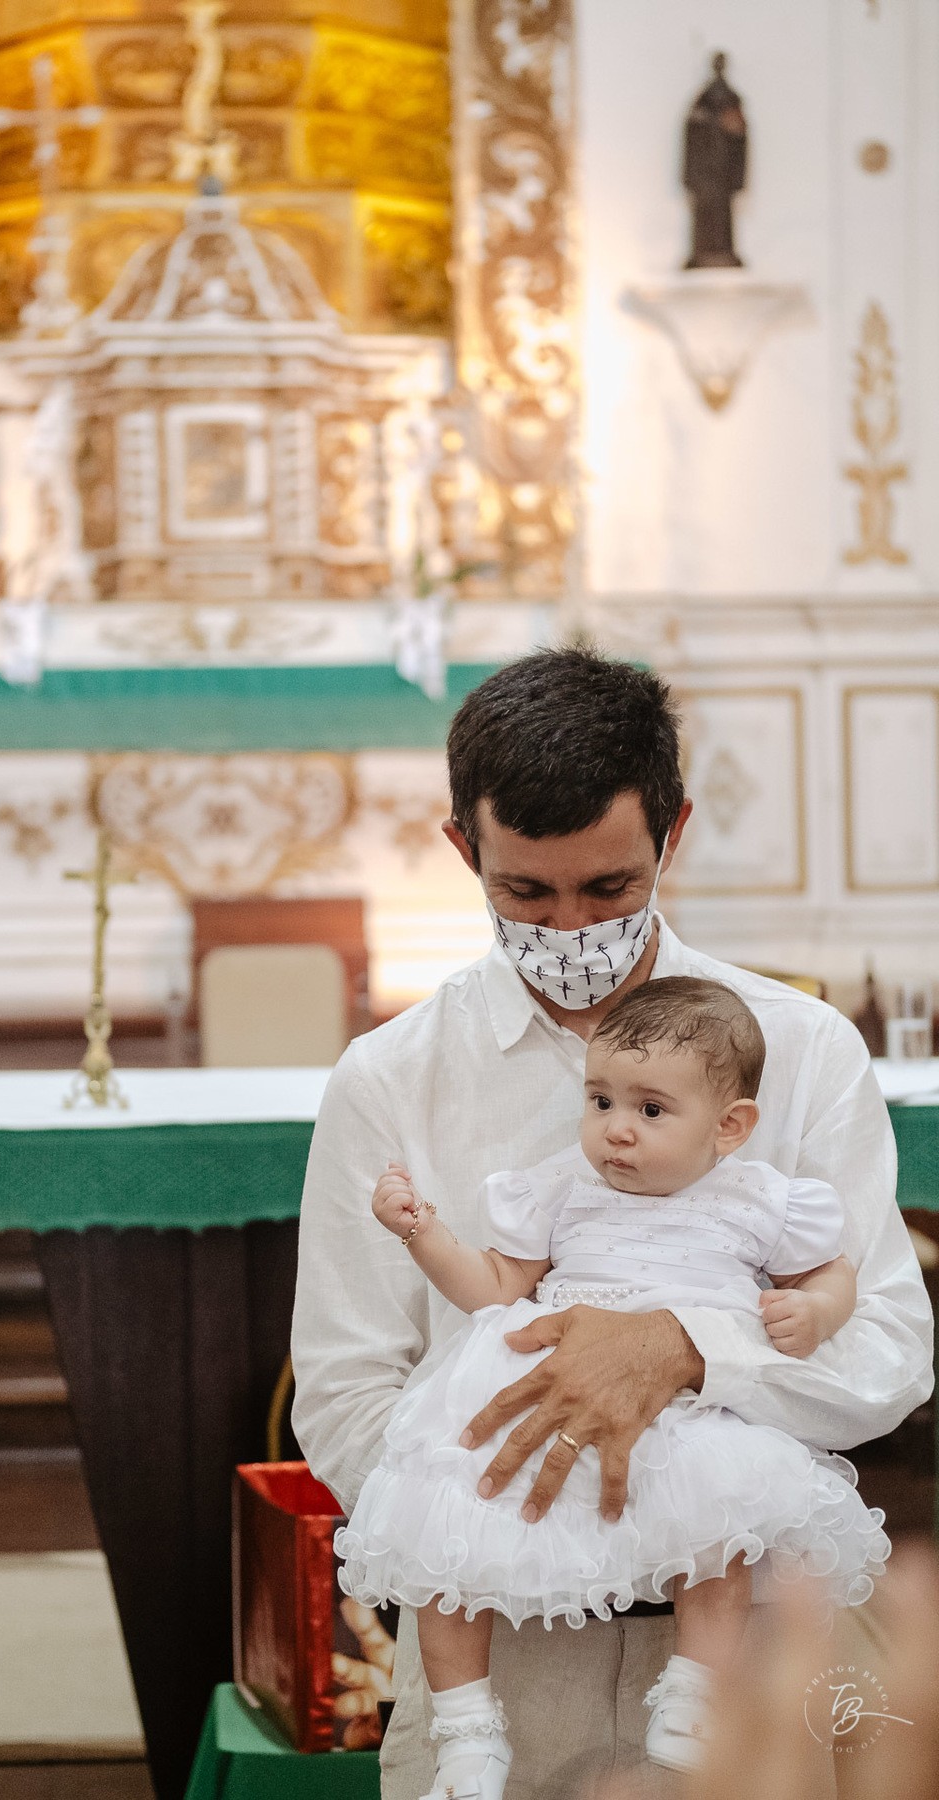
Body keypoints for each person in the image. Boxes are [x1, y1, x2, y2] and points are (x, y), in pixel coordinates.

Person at [290, 647, 934, 1798]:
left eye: (611, 889)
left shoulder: (799, 1050)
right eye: (525, 892)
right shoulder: (390, 1079)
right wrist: (523, 1520)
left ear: (673, 837)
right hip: (497, 1653)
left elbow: (888, 1354)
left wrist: (688, 1350)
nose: (570, 926)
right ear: (463, 850)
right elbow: (343, 1390)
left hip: (743, 1645)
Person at [335, 977, 889, 1782]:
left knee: (720, 1535)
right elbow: (494, 1287)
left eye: (650, 1110)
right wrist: (422, 1232)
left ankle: (694, 1693)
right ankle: (465, 1730)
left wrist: (820, 1312)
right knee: (447, 1543)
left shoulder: (761, 1200)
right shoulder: (565, 1186)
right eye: (600, 1102)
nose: (616, 1132)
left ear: (730, 1127)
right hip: (546, 1393)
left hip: (688, 1411)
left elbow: (836, 1273)